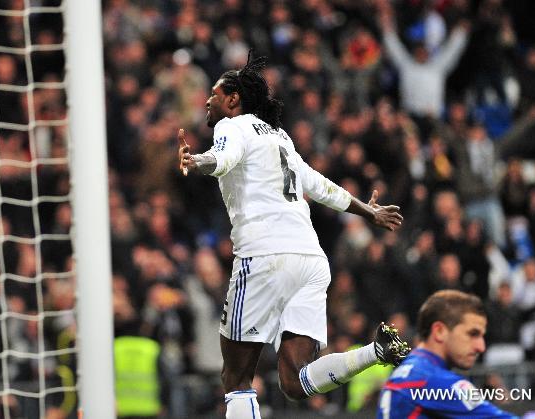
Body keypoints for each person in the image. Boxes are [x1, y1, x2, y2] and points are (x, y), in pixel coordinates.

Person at [178, 52, 410, 419]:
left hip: (265, 257)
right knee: (295, 382)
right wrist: (368, 210)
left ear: (233, 99)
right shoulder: (280, 137)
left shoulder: (232, 127)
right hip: (311, 260)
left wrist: (197, 161)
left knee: (236, 377)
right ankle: (375, 352)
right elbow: (316, 184)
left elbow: (222, 157)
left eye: (214, 94)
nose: (208, 101)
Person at [377, 289, 517, 417]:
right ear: (439, 331)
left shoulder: (407, 372)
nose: (481, 347)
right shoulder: (434, 380)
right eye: (473, 334)